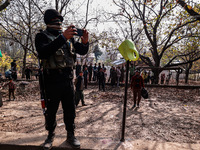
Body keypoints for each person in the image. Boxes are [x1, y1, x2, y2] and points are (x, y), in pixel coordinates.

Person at [35, 9, 89, 149]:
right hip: (51, 80)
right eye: (56, 20)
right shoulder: (41, 36)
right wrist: (63, 37)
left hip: (67, 79)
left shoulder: (67, 37)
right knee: (51, 110)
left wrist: (85, 42)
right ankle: (50, 135)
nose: (59, 22)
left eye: (60, 20)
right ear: (49, 21)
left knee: (70, 109)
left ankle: (70, 134)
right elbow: (43, 53)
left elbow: (82, 51)